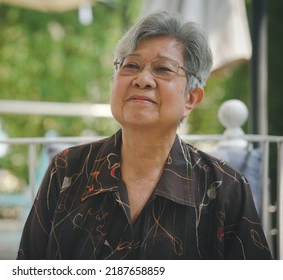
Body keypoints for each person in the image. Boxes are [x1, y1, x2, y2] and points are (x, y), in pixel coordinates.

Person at [17, 11, 272, 260]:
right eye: (131, 65)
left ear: (191, 98)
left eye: (162, 69)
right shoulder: (67, 170)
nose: (143, 79)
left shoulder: (226, 188)